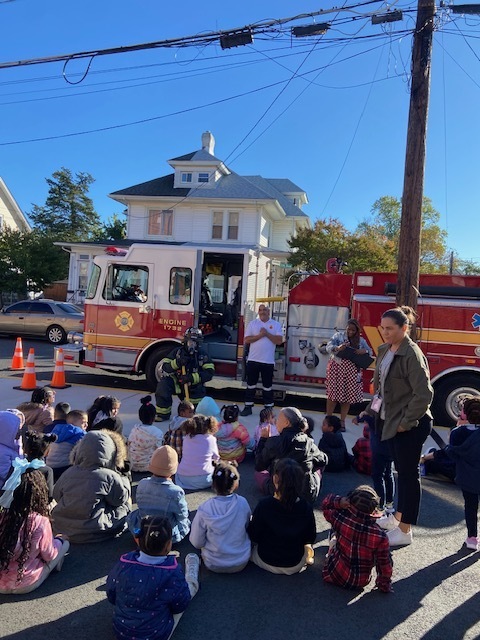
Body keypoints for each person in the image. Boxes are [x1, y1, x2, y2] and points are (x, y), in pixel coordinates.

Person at [371, 306, 433, 547]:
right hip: (390, 421)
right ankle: (397, 518)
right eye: (383, 327)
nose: (385, 332)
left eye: (390, 328)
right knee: (401, 473)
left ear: (404, 328)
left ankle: (405, 530)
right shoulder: (385, 349)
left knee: (408, 477)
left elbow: (424, 394)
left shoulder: (412, 354)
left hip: (410, 425)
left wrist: (406, 424)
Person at [107, 515, 199, 640]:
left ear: (138, 540)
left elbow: (112, 596)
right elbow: (180, 605)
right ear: (168, 545)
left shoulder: (123, 563)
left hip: (122, 632)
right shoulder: (172, 572)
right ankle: (192, 579)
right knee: (185, 594)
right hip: (155, 635)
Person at [0, 462, 70, 594]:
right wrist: (59, 541)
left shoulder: (3, 517)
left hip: (1, 583)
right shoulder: (40, 521)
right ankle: (56, 564)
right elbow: (49, 554)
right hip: (26, 583)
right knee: (63, 543)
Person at [52, 430, 131, 543]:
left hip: (64, 527)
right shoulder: (110, 476)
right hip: (96, 529)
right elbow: (119, 500)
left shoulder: (69, 472)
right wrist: (124, 479)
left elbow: (57, 495)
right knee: (126, 506)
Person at [247, 458, 316, 574]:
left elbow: (254, 535)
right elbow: (310, 537)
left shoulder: (264, 505)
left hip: (265, 559)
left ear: (275, 478)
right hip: (295, 563)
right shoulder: (306, 508)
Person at [322, 485, 393, 593]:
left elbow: (325, 505)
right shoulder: (380, 536)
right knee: (385, 555)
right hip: (361, 581)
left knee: (334, 532)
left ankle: (331, 553)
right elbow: (384, 564)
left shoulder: (340, 518)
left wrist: (339, 501)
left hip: (335, 573)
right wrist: (384, 584)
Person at [255, 406, 327, 503]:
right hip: (305, 495)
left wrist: (263, 439)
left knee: (259, 474)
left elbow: (259, 465)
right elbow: (324, 460)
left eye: (278, 419)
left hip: (279, 492)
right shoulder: (308, 441)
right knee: (318, 468)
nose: (276, 421)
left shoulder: (273, 442)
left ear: (287, 423)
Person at [190, 460, 251, 573]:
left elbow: (197, 542)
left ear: (213, 484)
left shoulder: (205, 508)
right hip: (241, 561)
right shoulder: (243, 503)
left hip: (213, 563)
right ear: (236, 484)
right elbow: (247, 525)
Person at [127, 445, 190, 544]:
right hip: (165, 534)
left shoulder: (142, 483)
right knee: (186, 522)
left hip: (144, 528)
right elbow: (181, 516)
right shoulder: (176, 492)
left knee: (134, 514)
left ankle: (139, 536)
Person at [443, 396, 480, 551]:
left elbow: (451, 455)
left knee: (470, 506)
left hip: (468, 478)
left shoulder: (458, 433)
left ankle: (472, 538)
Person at [155, 327, 215, 422]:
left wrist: (191, 378)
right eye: (190, 341)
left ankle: (191, 409)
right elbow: (165, 366)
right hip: (178, 383)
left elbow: (209, 373)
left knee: (195, 413)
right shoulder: (177, 352)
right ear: (185, 341)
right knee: (164, 385)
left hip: (194, 387)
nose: (192, 345)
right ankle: (163, 414)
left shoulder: (203, 355)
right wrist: (177, 363)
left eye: (195, 342)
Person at [325, 319, 372, 431]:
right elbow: (328, 347)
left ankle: (342, 422)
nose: (350, 332)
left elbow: (370, 351)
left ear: (357, 331)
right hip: (337, 369)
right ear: (346, 328)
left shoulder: (361, 340)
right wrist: (337, 348)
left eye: (353, 330)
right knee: (333, 395)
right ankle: (328, 419)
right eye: (349, 329)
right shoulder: (338, 336)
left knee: (347, 397)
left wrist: (364, 351)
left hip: (352, 371)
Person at [239, 304, 284, 417]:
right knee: (251, 385)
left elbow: (279, 341)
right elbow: (247, 339)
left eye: (265, 310)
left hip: (268, 362)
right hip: (253, 360)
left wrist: (267, 334)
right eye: (260, 310)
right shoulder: (253, 324)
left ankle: (268, 409)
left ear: (269, 312)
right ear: (258, 312)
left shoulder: (276, 324)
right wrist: (260, 335)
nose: (262, 312)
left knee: (267, 386)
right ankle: (248, 407)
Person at [355, 413, 395, 514]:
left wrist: (361, 418)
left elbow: (375, 420)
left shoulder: (383, 401)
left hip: (379, 446)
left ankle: (380, 506)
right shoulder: (394, 403)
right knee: (388, 474)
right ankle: (389, 504)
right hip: (390, 444)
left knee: (378, 476)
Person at [176, 415, 220, 490]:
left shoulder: (187, 438)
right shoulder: (211, 439)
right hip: (205, 480)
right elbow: (216, 457)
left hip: (183, 478)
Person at [45, 412, 86, 482]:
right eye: (83, 422)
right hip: (65, 466)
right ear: (73, 422)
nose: (86, 425)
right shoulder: (80, 433)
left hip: (50, 465)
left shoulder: (56, 430)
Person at [127, 395, 164, 472]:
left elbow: (129, 444)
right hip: (149, 467)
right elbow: (159, 450)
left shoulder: (135, 430)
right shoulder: (157, 433)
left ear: (140, 417)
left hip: (132, 466)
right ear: (154, 417)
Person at [22, 429, 56, 504]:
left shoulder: (18, 465)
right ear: (47, 452)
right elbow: (49, 495)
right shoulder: (47, 470)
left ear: (25, 448)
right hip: (38, 507)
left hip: (15, 508)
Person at [0, 410, 24, 487]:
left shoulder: (10, 444)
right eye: (16, 429)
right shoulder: (3, 452)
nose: (19, 431)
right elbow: (7, 475)